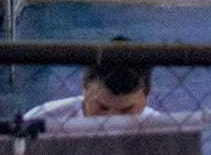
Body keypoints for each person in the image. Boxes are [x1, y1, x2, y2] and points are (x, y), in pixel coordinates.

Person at [24, 50, 163, 122]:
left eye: (126, 110)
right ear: (83, 86)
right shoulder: (43, 119)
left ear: (146, 96)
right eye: (102, 107)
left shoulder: (161, 131)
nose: (112, 121)